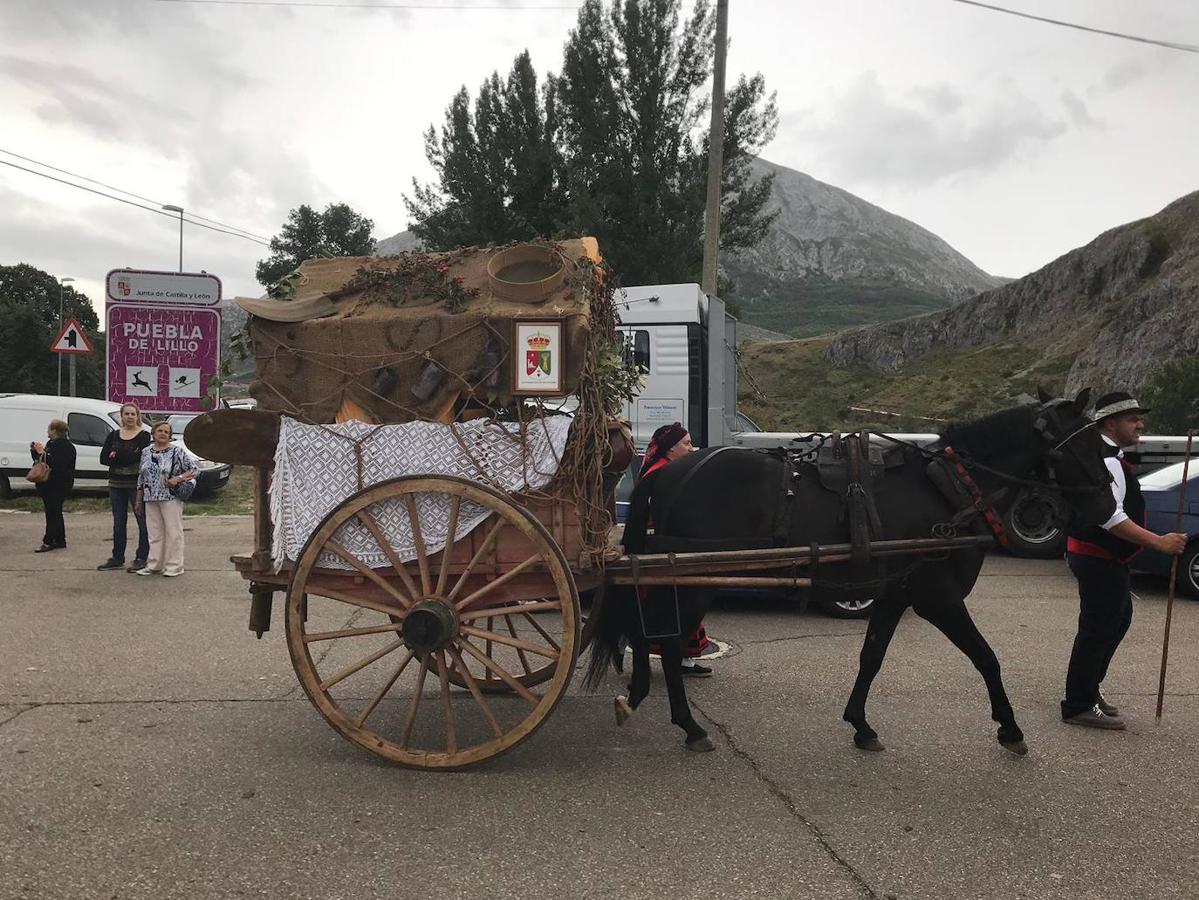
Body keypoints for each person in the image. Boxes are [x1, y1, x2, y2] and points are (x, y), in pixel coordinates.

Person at [1061, 391, 1188, 730]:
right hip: (1097, 556)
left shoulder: (1106, 456)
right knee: (1098, 627)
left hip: (1101, 556)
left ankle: (1088, 688)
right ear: (1110, 423)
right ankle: (1078, 704)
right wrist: (1158, 542)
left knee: (1117, 619)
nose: (1140, 424)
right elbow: (1110, 518)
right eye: (1133, 419)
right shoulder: (1106, 460)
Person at [623, 421, 714, 677]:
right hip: (658, 549)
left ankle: (683, 657)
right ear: (670, 449)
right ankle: (653, 656)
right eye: (686, 443)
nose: (691, 448)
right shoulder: (661, 473)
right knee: (669, 605)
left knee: (683, 603)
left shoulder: (668, 469)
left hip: (668, 546)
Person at [134, 421, 197, 577]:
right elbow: (141, 477)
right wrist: (138, 499)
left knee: (173, 532)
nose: (163, 433)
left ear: (170, 435)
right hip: (150, 496)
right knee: (154, 532)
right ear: (153, 433)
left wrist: (179, 478)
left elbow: (194, 470)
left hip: (170, 496)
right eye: (159, 430)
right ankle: (154, 564)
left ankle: (174, 566)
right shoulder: (146, 452)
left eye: (166, 431)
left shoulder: (176, 451)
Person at [97, 403, 152, 572]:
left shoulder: (143, 436)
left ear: (138, 416)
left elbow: (141, 458)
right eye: (126, 414)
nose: (129, 417)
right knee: (118, 523)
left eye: (132, 414)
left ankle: (142, 557)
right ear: (122, 416)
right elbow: (104, 459)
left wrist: (118, 456)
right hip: (116, 484)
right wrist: (127, 455)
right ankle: (117, 557)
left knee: (142, 522)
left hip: (136, 486)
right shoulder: (113, 435)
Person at [30, 419, 76, 553]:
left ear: (54, 430)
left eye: (49, 428)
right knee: (55, 511)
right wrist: (35, 451)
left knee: (52, 513)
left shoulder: (66, 446)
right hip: (48, 484)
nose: (47, 431)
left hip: (58, 484)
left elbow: (56, 463)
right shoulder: (51, 443)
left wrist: (42, 452)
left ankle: (48, 540)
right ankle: (60, 539)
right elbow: (41, 460)